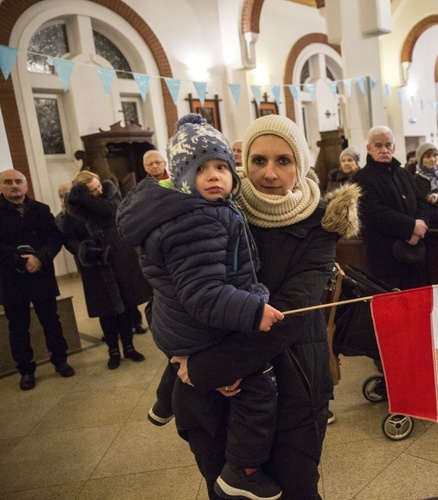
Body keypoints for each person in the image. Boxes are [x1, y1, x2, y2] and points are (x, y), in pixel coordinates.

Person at [160, 115, 359, 499]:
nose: (270, 173)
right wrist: (187, 361)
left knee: (296, 489)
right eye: (258, 161)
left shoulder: (321, 225)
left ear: (299, 165)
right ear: (243, 164)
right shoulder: (209, 210)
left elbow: (288, 316)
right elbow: (169, 296)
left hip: (292, 381)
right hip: (209, 395)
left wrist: (211, 368)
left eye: (283, 161)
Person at [118, 114, 286, 500]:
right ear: (180, 176)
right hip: (200, 326)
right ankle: (242, 471)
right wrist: (253, 310)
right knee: (258, 389)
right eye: (201, 169)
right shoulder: (198, 219)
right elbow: (204, 294)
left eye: (221, 167)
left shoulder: (199, 211)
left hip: (177, 324)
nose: (213, 176)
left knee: (179, 356)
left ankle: (163, 403)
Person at [64, 171, 150, 369]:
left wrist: (87, 199)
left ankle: (129, 347)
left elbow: (113, 215)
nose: (99, 190)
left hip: (119, 258)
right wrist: (83, 249)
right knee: (106, 310)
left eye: (99, 186)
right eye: (93, 190)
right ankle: (113, 351)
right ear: (83, 192)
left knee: (127, 306)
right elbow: (69, 238)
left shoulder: (109, 201)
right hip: (95, 264)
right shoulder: (73, 212)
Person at [0, 169, 74, 390]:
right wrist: (19, 261)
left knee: (52, 322)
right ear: (1, 186)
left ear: (26, 185)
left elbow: (55, 237)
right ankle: (26, 370)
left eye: (18, 182)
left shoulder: (41, 210)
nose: (14, 185)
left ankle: (60, 360)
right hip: (11, 278)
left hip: (41, 275)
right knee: (18, 328)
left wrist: (40, 258)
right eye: (8, 182)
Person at [354, 125, 428, 290]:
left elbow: (422, 202)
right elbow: (373, 212)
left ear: (394, 147)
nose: (384, 150)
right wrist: (410, 227)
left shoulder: (403, 173)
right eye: (378, 146)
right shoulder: (362, 178)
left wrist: (419, 226)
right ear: (369, 148)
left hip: (413, 253)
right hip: (385, 259)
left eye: (388, 145)